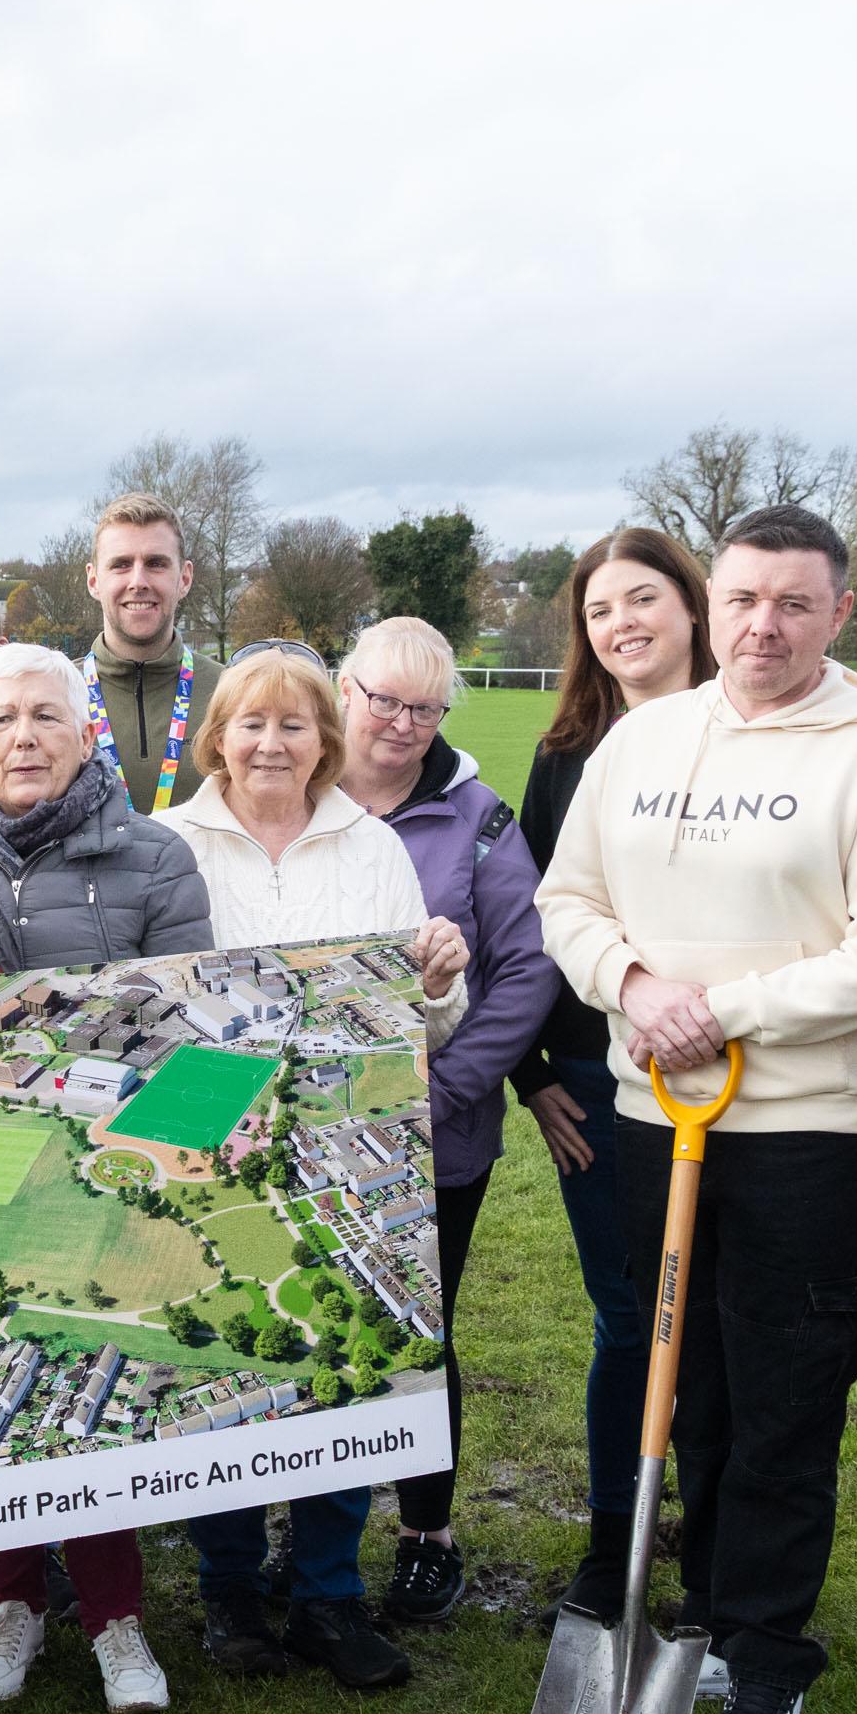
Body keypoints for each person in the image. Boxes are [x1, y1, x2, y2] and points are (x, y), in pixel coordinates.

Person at [535, 503, 857, 1714]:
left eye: (793, 603)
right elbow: (568, 898)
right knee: (688, 1381)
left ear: (838, 614)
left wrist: (722, 1010)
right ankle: (704, 1613)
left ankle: (767, 1655)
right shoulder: (643, 739)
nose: (763, 626)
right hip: (658, 1117)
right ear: (712, 605)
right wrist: (634, 984)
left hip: (805, 1133)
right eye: (743, 599)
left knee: (785, 1387)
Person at [154, 642, 468, 1692]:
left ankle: (329, 1591)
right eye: (251, 722)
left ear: (324, 740)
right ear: (219, 737)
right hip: (212, 1121)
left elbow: (422, 1021)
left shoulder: (372, 846)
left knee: (344, 1342)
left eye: (293, 724)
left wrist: (438, 981)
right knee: (231, 1349)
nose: (271, 742)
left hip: (341, 1122)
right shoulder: (169, 842)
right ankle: (231, 1587)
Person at [0, 642, 211, 1714]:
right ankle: (12, 1598)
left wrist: (133, 1155)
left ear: (88, 733)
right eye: (3, 720)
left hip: (103, 1156)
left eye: (47, 716)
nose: (25, 738)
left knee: (93, 1384)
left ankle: (114, 1614)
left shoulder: (158, 857)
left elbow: (186, 1021)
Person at [501, 530, 718, 1616]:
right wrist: (535, 1073)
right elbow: (537, 918)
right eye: (599, 610)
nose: (622, 623)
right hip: (597, 1085)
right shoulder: (567, 754)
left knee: (724, 1330)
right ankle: (612, 1546)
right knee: (631, 1318)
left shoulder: (756, 736)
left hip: (744, 1079)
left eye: (643, 598)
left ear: (692, 605)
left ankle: (724, 1561)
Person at [330, 620, 556, 1627]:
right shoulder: (294, 793)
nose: (402, 723)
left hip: (438, 1131)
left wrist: (446, 1089)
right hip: (310, 1126)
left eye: (424, 708)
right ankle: (312, 1536)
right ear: (345, 690)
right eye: (385, 699)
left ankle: (428, 1534)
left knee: (422, 1330)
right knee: (321, 1327)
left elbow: (527, 969)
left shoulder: (478, 817)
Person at [78, 492, 210, 815]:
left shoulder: (232, 693)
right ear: (94, 580)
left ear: (185, 578)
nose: (138, 581)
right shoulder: (53, 693)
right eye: (121, 565)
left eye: (156, 564)